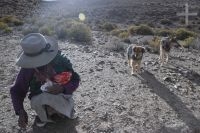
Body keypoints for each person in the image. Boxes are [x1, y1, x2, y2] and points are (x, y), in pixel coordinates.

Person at [10, 33, 80, 128]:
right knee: (39, 101)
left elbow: (75, 80)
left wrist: (62, 88)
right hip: (40, 99)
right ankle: (48, 112)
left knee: (61, 108)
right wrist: (20, 111)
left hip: (61, 96)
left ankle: (59, 111)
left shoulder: (62, 60)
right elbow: (17, 90)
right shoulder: (27, 69)